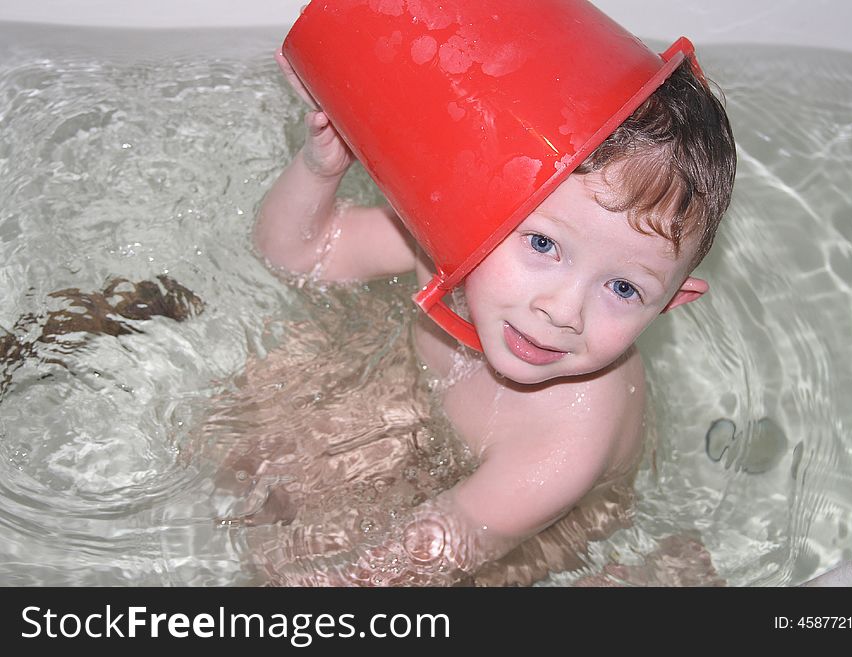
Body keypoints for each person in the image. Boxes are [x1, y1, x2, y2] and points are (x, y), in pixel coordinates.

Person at [247, 14, 736, 585]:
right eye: (544, 244)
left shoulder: (566, 443)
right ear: (482, 199)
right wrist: (319, 167)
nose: (562, 310)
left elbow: (418, 558)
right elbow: (296, 257)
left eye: (624, 289)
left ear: (671, 304)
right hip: (424, 421)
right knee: (253, 440)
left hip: (537, 532)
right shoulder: (453, 246)